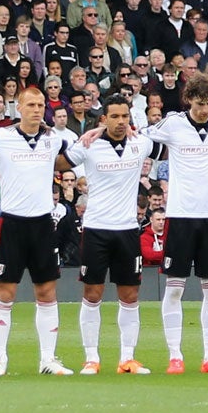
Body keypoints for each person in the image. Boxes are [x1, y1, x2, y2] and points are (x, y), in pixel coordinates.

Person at [0, 84, 79, 376]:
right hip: (12, 224)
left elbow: (70, 157)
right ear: (17, 108)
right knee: (5, 291)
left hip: (43, 224)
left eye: (40, 105)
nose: (35, 110)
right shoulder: (2, 138)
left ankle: (48, 359)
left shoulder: (53, 139)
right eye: (30, 105)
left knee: (46, 291)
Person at [148, 73, 208, 375]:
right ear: (188, 99)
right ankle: (175, 356)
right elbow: (142, 136)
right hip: (180, 216)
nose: (204, 109)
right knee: (174, 289)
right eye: (200, 103)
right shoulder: (173, 124)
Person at [71, 93, 158, 374]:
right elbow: (59, 159)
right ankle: (91, 358)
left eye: (125, 116)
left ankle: (127, 359)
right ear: (104, 118)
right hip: (96, 229)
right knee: (92, 293)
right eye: (115, 116)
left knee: (130, 295)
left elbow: (171, 138)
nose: (121, 122)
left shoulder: (140, 143)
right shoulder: (88, 145)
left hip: (127, 231)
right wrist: (92, 132)